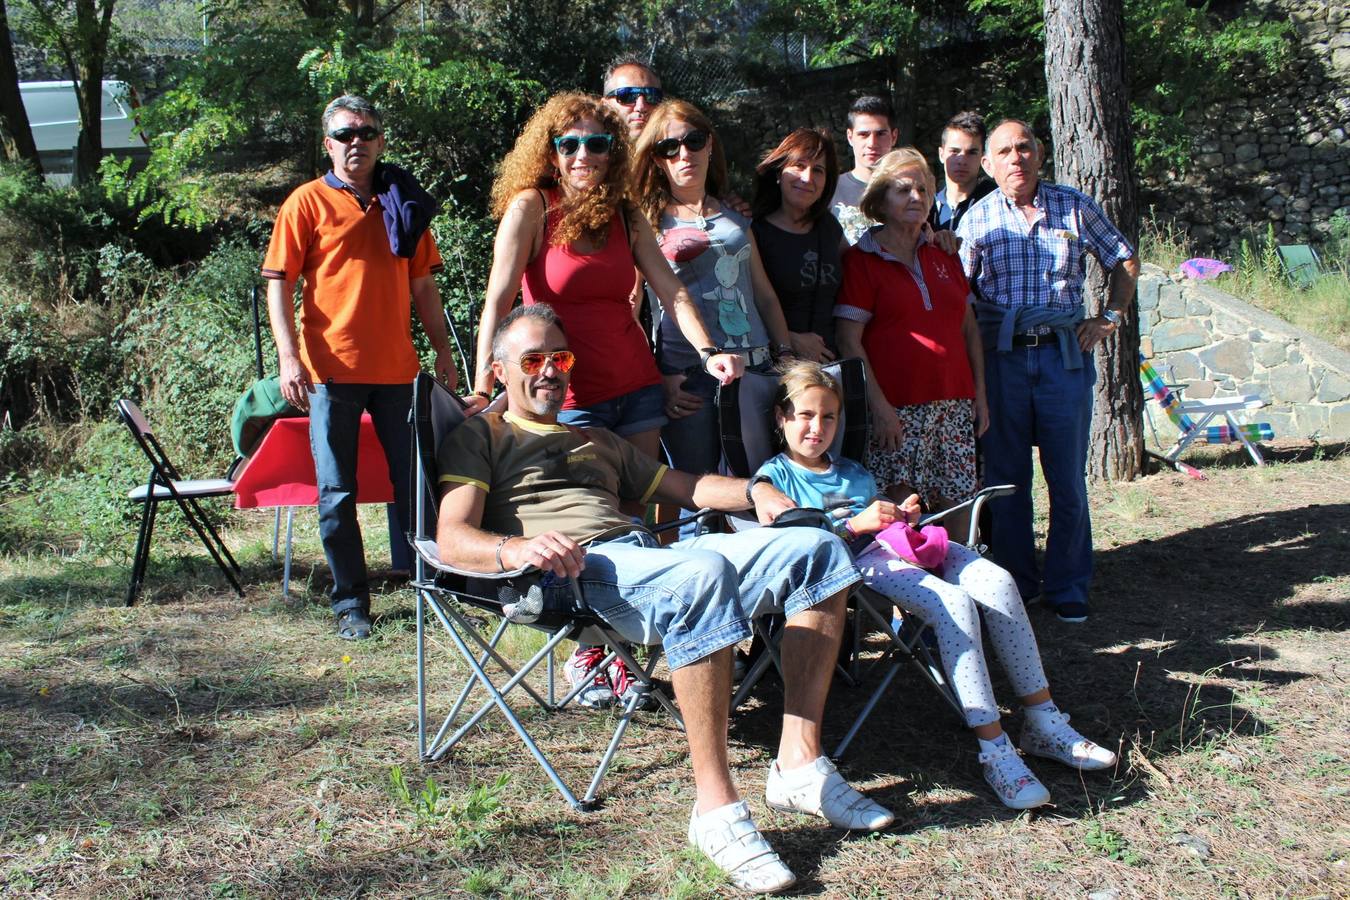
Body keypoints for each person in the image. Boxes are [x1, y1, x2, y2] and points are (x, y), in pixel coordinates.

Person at [437, 305, 894, 892]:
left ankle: (799, 765)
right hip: (576, 574)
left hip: (645, 557)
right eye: (532, 360)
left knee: (816, 548)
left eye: (560, 357)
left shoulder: (596, 438)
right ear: (500, 372)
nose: (549, 370)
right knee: (699, 572)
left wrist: (757, 491)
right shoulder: (482, 435)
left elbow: (686, 485)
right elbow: (452, 538)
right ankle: (715, 809)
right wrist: (517, 550)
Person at [464, 91, 745, 706]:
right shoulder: (532, 207)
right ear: (551, 152)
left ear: (616, 152)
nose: (584, 154)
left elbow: (671, 292)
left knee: (632, 518)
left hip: (637, 388)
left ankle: (623, 655)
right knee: (587, 523)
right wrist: (486, 381)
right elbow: (498, 298)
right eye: (571, 144)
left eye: (598, 143)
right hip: (565, 391)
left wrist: (705, 352)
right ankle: (589, 658)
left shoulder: (624, 212)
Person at [755, 360, 1118, 809]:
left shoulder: (851, 469)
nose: (818, 427)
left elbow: (881, 519)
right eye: (806, 415)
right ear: (781, 418)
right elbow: (792, 551)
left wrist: (900, 514)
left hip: (895, 548)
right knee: (953, 604)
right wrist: (852, 528)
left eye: (828, 416)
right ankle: (995, 750)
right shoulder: (774, 478)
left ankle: (1043, 720)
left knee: (998, 581)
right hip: (852, 565)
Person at [262, 94, 456, 640]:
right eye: (345, 135)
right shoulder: (306, 203)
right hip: (330, 372)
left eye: (366, 133)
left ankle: (431, 587)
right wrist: (289, 357)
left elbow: (423, 287)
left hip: (398, 372)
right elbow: (280, 283)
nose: (357, 142)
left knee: (415, 485)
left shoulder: (404, 202)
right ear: (328, 145)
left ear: (381, 141)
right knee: (337, 493)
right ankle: (351, 602)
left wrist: (443, 351)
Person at [956, 119, 1141, 624]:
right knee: (1007, 480)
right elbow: (960, 300)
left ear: (1039, 154)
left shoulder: (1073, 205)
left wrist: (1109, 318)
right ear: (988, 165)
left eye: (1024, 148)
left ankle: (1067, 586)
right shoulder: (975, 220)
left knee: (1067, 479)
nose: (1016, 158)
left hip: (1064, 356)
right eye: (1004, 152)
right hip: (1003, 360)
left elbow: (1123, 258)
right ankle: (1016, 584)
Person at [631, 99, 795, 529]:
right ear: (655, 159)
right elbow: (633, 306)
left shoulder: (734, 216)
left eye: (693, 141)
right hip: (688, 377)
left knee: (761, 481)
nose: (684, 154)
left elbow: (763, 293)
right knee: (697, 493)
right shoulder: (642, 221)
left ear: (709, 146)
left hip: (756, 367)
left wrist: (787, 356)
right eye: (669, 148)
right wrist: (657, 377)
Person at [834, 148, 987, 539]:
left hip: (954, 404)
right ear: (880, 199)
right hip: (897, 409)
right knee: (900, 512)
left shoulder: (945, 252)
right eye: (903, 190)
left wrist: (980, 396)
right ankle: (908, 599)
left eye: (922, 188)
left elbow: (967, 329)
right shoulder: (862, 261)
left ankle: (956, 591)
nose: (916, 197)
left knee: (957, 504)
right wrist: (880, 408)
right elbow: (849, 340)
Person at [750, 128, 846, 363]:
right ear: (779, 172)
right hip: (780, 364)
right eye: (799, 166)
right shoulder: (754, 231)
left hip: (834, 365)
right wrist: (789, 339)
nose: (807, 178)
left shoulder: (830, 227)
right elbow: (742, 306)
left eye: (818, 170)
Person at [830, 95, 898, 244]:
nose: (872, 143)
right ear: (850, 137)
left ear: (894, 136)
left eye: (880, 134)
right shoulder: (829, 190)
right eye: (863, 134)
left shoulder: (910, 191)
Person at [930, 111, 996, 232]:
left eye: (971, 152)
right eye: (954, 151)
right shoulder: (928, 207)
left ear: (983, 156)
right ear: (941, 154)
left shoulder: (997, 202)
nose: (962, 160)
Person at [601, 55, 664, 141]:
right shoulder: (584, 151)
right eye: (626, 96)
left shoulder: (681, 151)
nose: (641, 107)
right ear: (605, 106)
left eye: (652, 95)